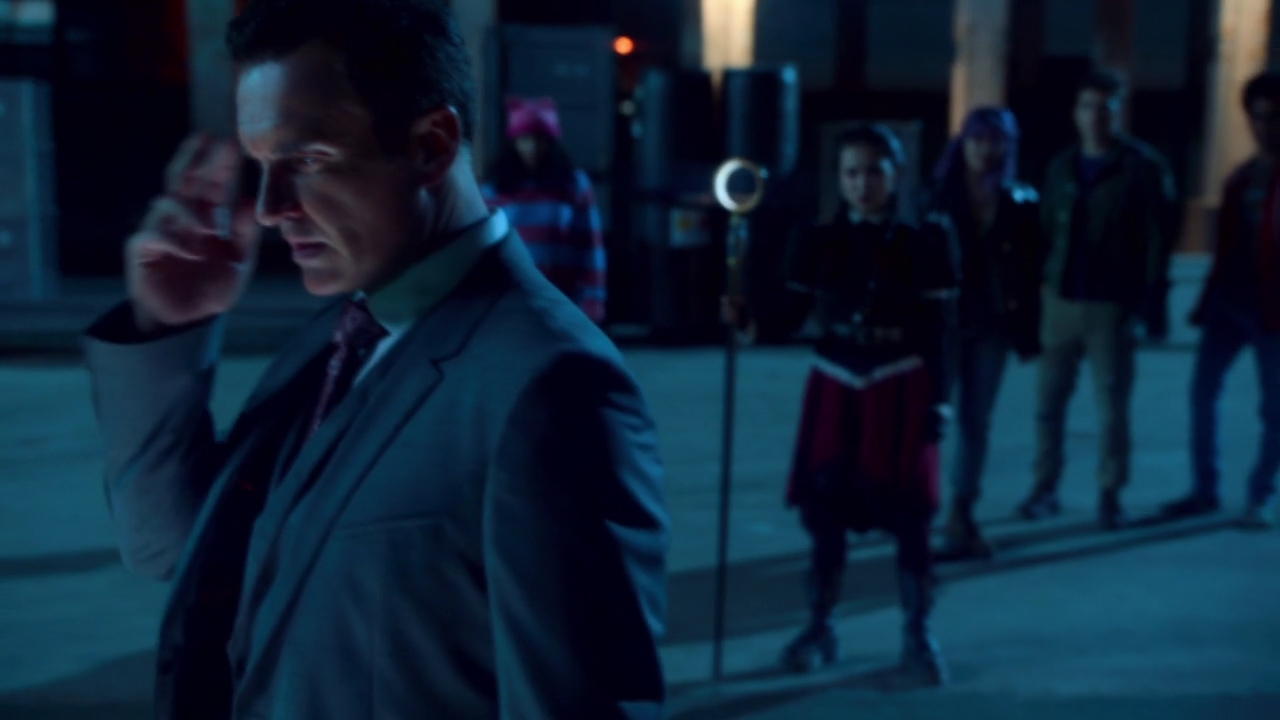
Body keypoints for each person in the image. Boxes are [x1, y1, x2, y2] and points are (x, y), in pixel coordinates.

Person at [79, 1, 668, 718]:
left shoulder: (552, 389)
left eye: (307, 160)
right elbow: (169, 550)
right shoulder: (331, 341)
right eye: (261, 167)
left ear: (430, 146)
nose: (269, 207)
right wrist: (168, 327)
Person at [725, 124, 959, 685]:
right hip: (835, 382)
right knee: (825, 508)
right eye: (852, 172)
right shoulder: (819, 240)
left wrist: (939, 403)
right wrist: (749, 319)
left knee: (910, 516)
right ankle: (820, 626)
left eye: (874, 171)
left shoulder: (925, 241)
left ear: (896, 175)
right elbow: (789, 316)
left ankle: (917, 632)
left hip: (900, 384)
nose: (862, 183)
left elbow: (940, 333)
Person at [1018, 69, 1178, 530]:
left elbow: (1156, 240)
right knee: (1048, 404)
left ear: (1118, 111)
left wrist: (1150, 303)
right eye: (1087, 106)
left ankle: (1110, 492)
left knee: (1111, 407)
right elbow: (1044, 230)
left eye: (1105, 107)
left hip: (1111, 305)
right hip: (1061, 302)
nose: (1096, 117)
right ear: (1076, 112)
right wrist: (1039, 289)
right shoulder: (1062, 167)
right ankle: (1044, 487)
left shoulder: (1142, 167)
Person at [1161, 70, 1280, 530]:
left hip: (1273, 311)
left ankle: (1261, 496)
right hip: (1231, 304)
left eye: (1274, 117)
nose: (1265, 126)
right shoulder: (1242, 179)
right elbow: (1227, 247)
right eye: (1259, 116)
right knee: (1203, 393)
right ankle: (1204, 490)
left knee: (1274, 409)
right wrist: (1208, 300)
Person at [927, 107, 1042, 560]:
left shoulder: (1019, 200)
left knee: (975, 423)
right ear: (963, 143)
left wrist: (1027, 332)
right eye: (977, 139)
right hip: (944, 326)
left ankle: (961, 512)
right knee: (930, 418)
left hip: (992, 325)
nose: (985, 148)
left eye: (995, 140)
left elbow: (1029, 273)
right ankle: (914, 507)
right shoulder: (938, 196)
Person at [481, 96, 607, 323]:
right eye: (524, 139)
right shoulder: (495, 187)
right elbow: (484, 248)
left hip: (562, 302)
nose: (532, 147)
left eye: (540, 139)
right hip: (508, 305)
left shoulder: (573, 184)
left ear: (551, 141)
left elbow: (591, 247)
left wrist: (593, 300)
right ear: (513, 141)